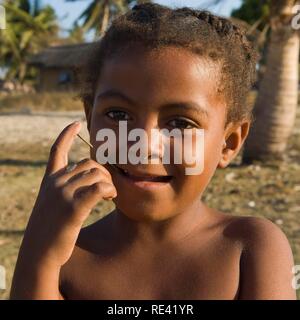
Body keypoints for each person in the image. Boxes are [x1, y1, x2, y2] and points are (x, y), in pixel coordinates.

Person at [10, 3, 296, 300]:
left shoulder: (250, 248)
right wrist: (38, 252)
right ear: (90, 118)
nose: (143, 145)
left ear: (229, 142)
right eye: (119, 115)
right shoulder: (65, 259)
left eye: (180, 122)